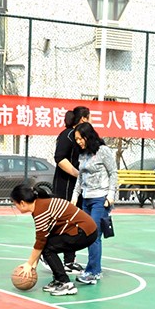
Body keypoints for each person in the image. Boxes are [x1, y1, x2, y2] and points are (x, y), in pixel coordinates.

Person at [11, 184, 97, 297]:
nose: (15, 207)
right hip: (85, 230)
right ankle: (59, 280)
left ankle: (65, 284)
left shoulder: (40, 210)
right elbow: (44, 237)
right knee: (47, 246)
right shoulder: (41, 204)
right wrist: (34, 264)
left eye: (15, 204)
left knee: (48, 249)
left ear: (22, 203)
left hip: (84, 232)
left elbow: (40, 241)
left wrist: (29, 264)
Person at [73, 122, 118, 285]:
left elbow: (113, 173)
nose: (78, 142)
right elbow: (80, 177)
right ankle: (92, 269)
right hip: (86, 198)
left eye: (80, 138)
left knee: (94, 234)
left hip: (101, 199)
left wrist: (111, 195)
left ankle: (93, 272)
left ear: (88, 136)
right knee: (88, 234)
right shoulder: (83, 154)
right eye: (76, 139)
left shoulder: (103, 151)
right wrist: (75, 195)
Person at [52, 106, 91, 273]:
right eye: (89, 117)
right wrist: (78, 174)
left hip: (77, 188)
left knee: (74, 224)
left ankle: (69, 261)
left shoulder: (80, 137)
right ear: (83, 119)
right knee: (62, 222)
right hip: (65, 186)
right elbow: (59, 158)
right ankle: (48, 253)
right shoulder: (67, 135)